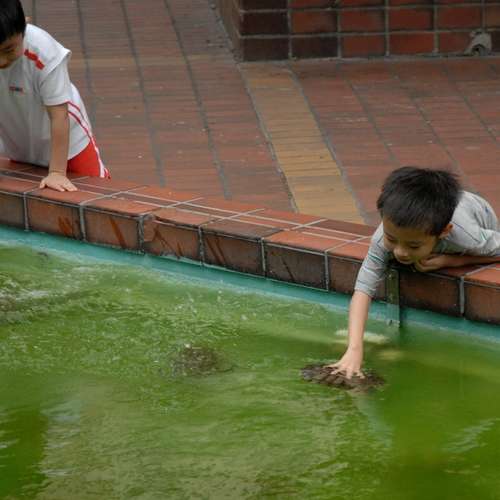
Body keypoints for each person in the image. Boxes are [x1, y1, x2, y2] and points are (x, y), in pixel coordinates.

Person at [332, 166, 500, 378]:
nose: (400, 252)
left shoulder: (467, 237)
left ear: (444, 232)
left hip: (476, 211)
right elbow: (363, 290)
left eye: (413, 246)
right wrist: (354, 349)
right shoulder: (382, 239)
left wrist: (454, 260)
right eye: (392, 239)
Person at [0, 0, 109, 192]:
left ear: (25, 25)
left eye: (9, 50)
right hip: (20, 142)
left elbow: (59, 115)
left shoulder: (44, 52)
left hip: (70, 144)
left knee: (98, 192)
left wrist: (57, 172)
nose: (1, 61)